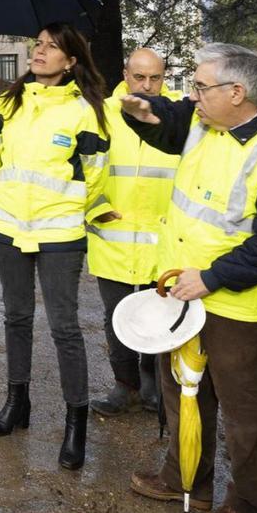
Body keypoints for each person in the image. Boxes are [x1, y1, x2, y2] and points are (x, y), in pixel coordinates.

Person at [121, 43, 257, 513]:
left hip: (237, 304)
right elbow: (166, 117)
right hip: (180, 294)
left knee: (245, 407)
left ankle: (251, 505)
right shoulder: (204, 122)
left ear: (237, 92)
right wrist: (139, 111)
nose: (191, 96)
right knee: (182, 391)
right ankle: (184, 477)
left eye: (201, 87)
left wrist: (211, 278)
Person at [0, 22, 110, 470]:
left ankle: (76, 425)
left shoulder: (85, 111)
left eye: (53, 47)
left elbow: (96, 174)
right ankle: (18, 403)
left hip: (59, 235)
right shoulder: (7, 103)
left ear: (71, 61)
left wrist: (69, 213)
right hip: (10, 229)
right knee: (15, 318)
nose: (40, 52)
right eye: (38, 44)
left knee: (65, 329)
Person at [87, 47, 181, 417]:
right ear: (125, 74)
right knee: (117, 317)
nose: (146, 85)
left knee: (159, 318)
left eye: (154, 78)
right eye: (139, 77)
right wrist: (94, 209)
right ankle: (123, 387)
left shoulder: (177, 117)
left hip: (164, 241)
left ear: (164, 76)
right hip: (114, 237)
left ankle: (154, 386)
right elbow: (82, 167)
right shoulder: (103, 115)